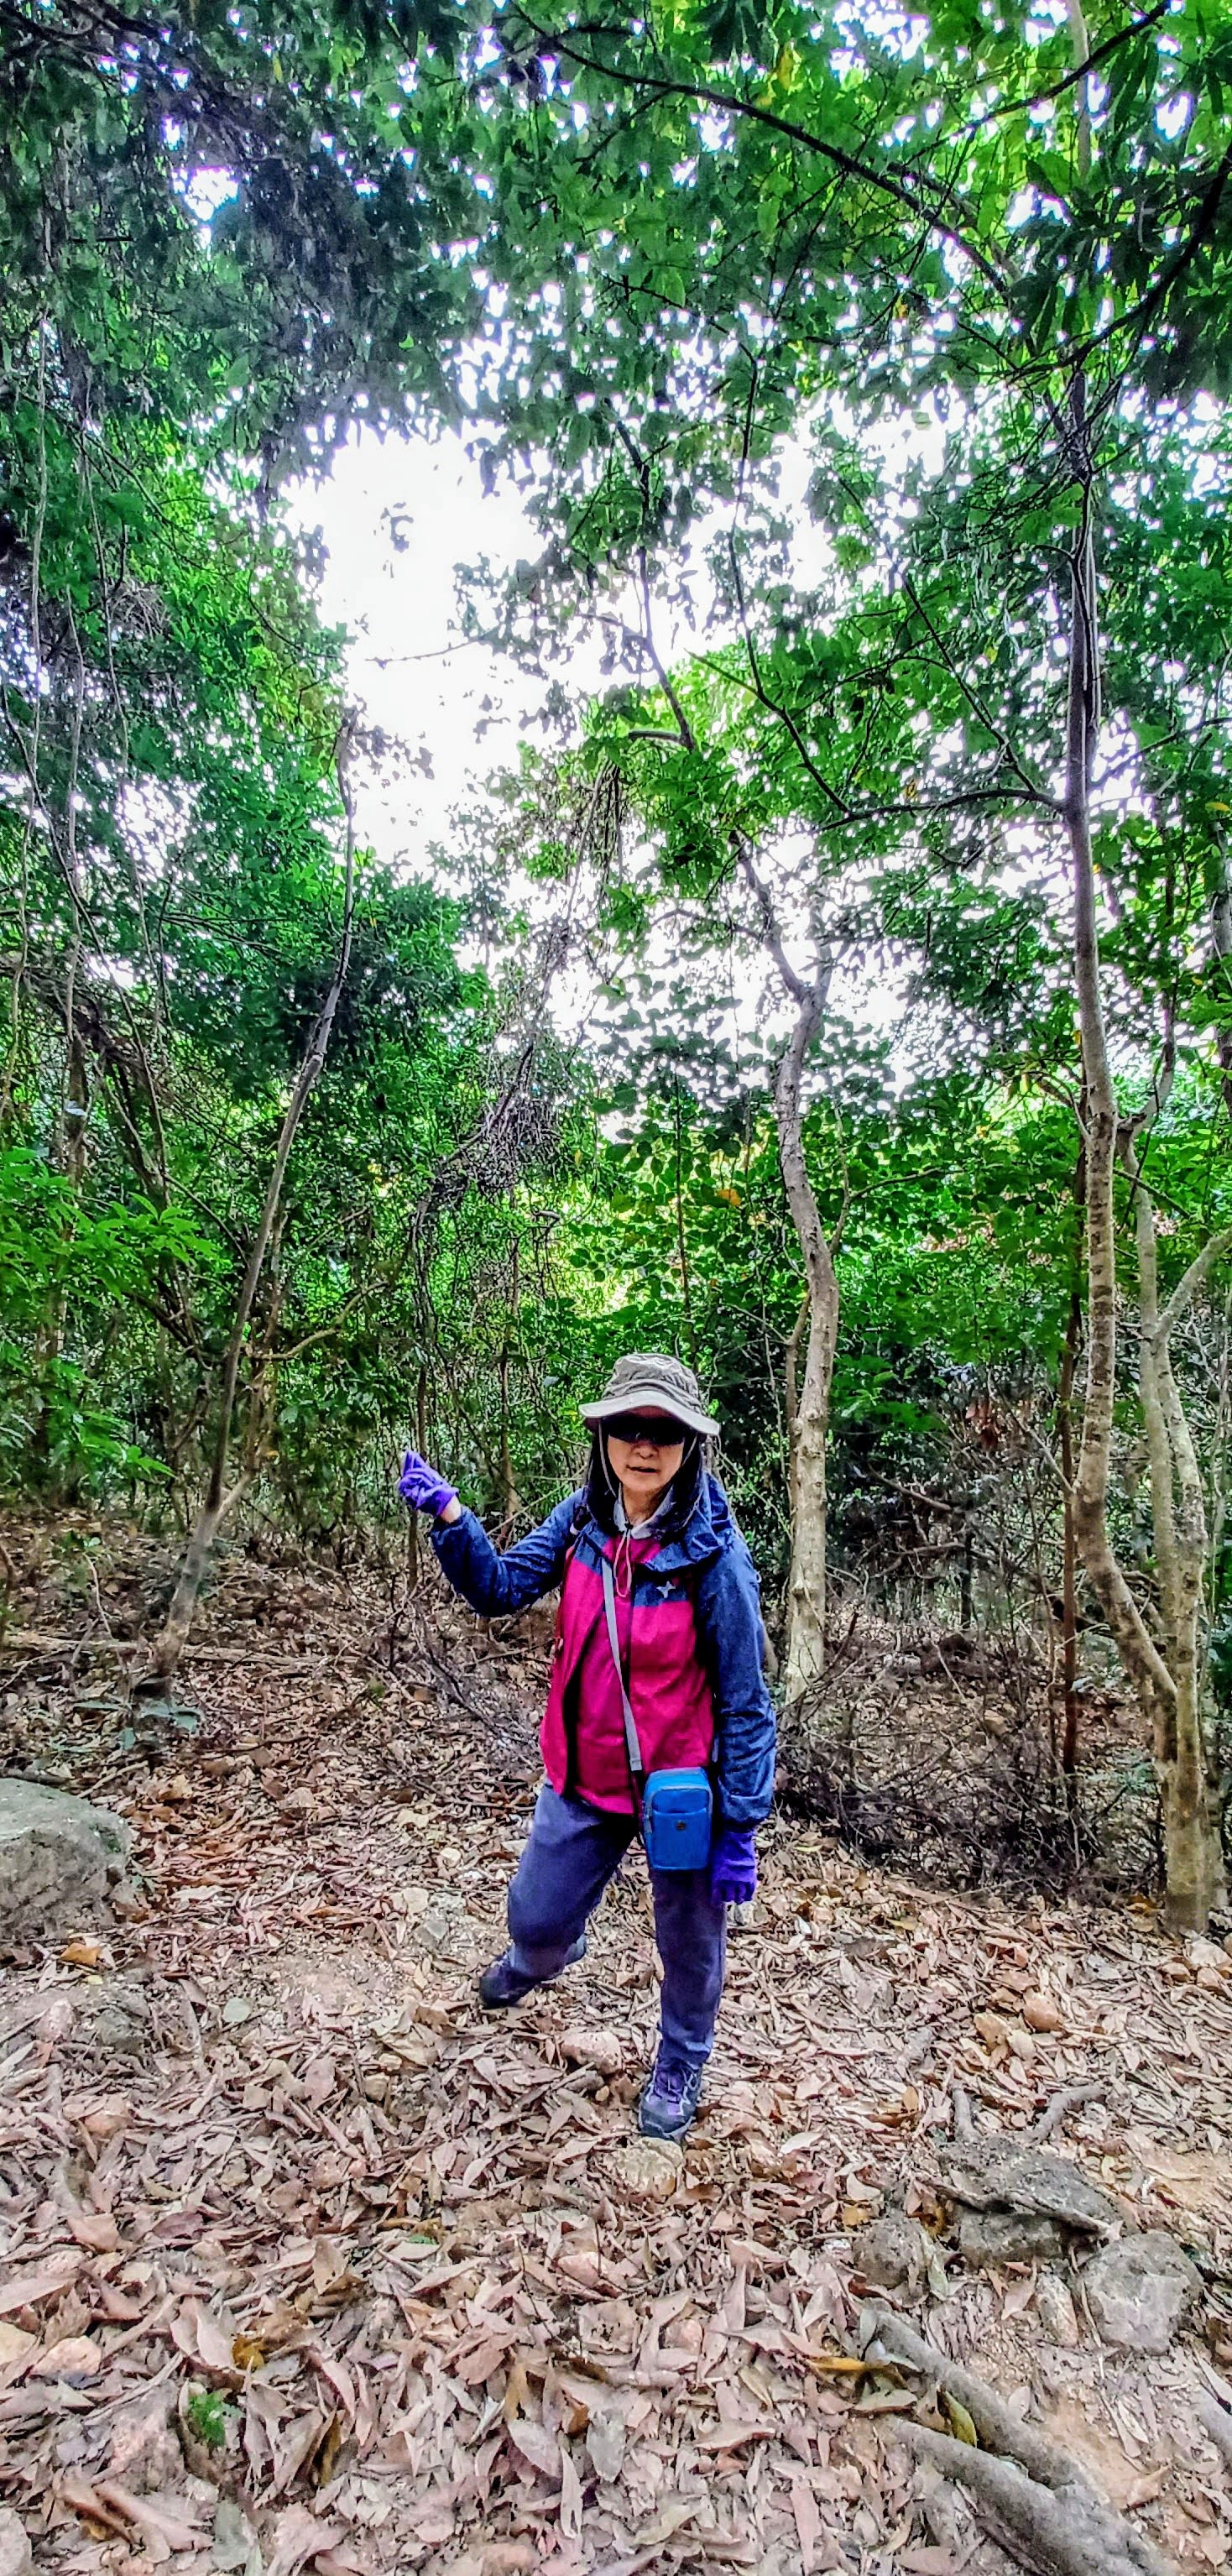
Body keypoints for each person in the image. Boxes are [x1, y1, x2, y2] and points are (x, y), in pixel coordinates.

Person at [398, 1351, 776, 2141]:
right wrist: (454, 1519)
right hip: (585, 1772)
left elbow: (746, 1699)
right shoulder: (582, 1521)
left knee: (689, 1944)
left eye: (664, 1431)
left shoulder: (716, 1557)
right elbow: (501, 1587)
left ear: (690, 1444)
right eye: (629, 1426)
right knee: (533, 1919)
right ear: (604, 1436)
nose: (645, 1445)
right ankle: (541, 1956)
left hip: (682, 1792)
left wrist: (740, 1826)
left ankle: (681, 2059)